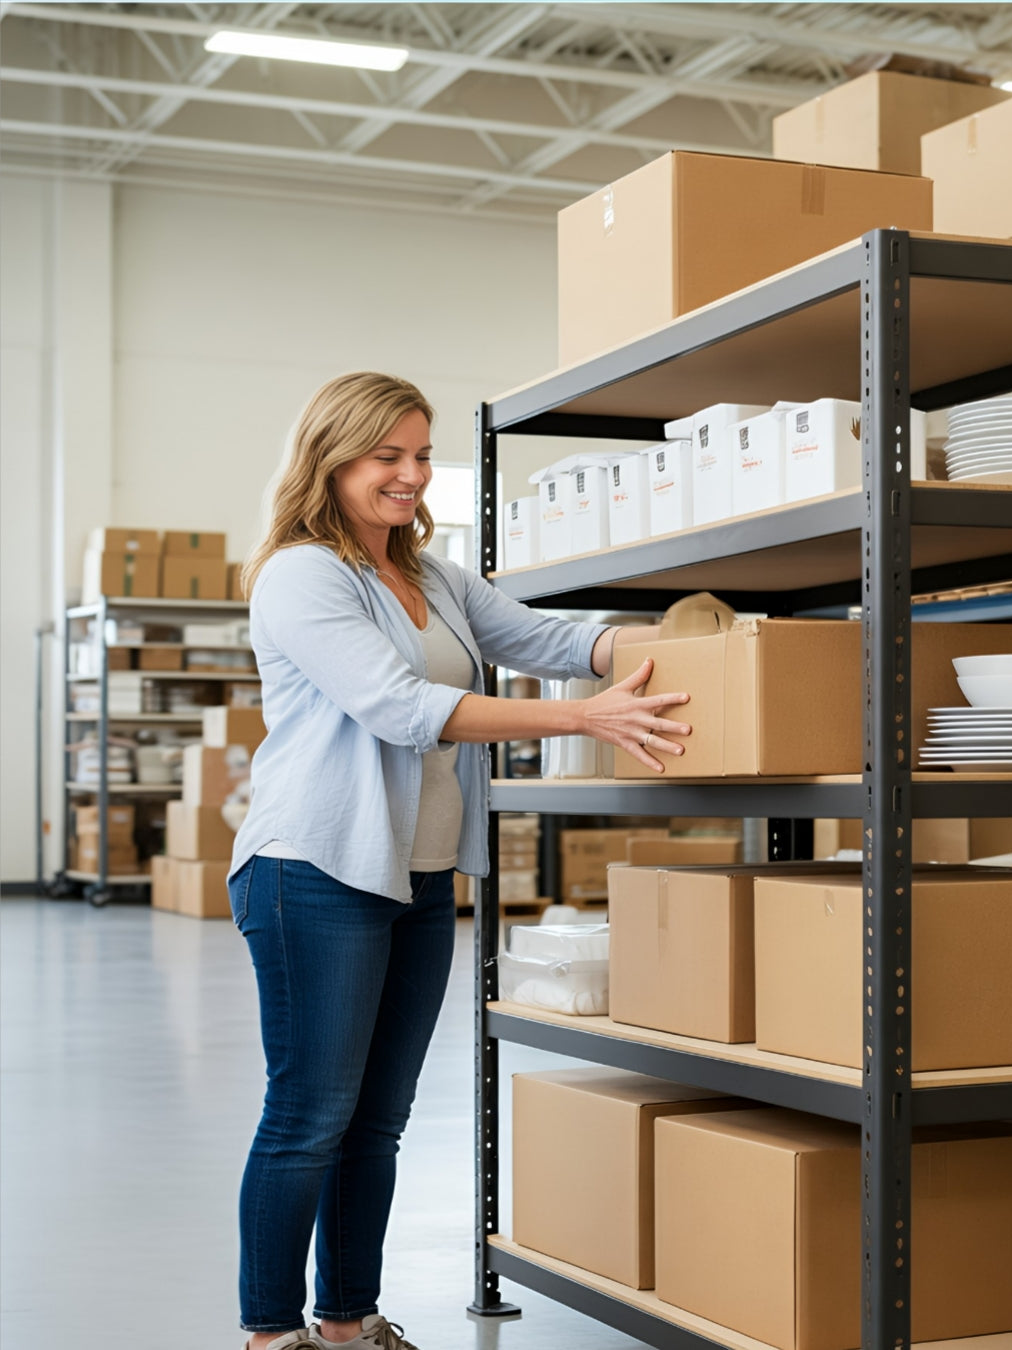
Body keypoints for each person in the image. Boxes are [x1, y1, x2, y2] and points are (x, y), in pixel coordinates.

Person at [227, 371, 692, 1350]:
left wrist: (668, 646)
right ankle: (272, 1338)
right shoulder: (302, 574)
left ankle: (348, 1325)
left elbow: (542, 634)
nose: (410, 475)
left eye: (422, 454)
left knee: (380, 1121)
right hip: (315, 869)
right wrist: (581, 716)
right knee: (312, 1114)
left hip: (421, 874)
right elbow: (400, 707)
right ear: (333, 460)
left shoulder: (432, 575)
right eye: (386, 456)